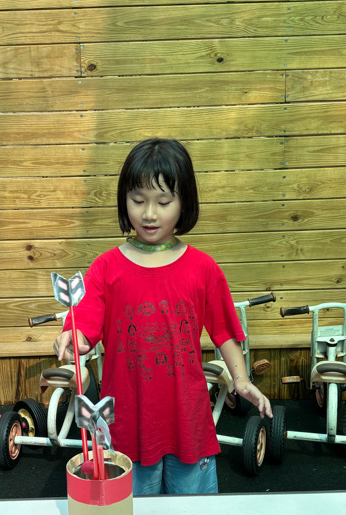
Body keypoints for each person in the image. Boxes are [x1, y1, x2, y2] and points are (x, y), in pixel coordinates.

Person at [53, 138, 272, 496]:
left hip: (188, 419)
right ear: (124, 199)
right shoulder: (106, 268)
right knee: (133, 514)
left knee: (192, 514)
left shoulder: (203, 268)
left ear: (184, 202)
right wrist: (72, 338)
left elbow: (223, 330)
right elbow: (84, 322)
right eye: (138, 200)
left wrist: (242, 379)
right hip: (127, 422)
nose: (150, 214)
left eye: (164, 201)